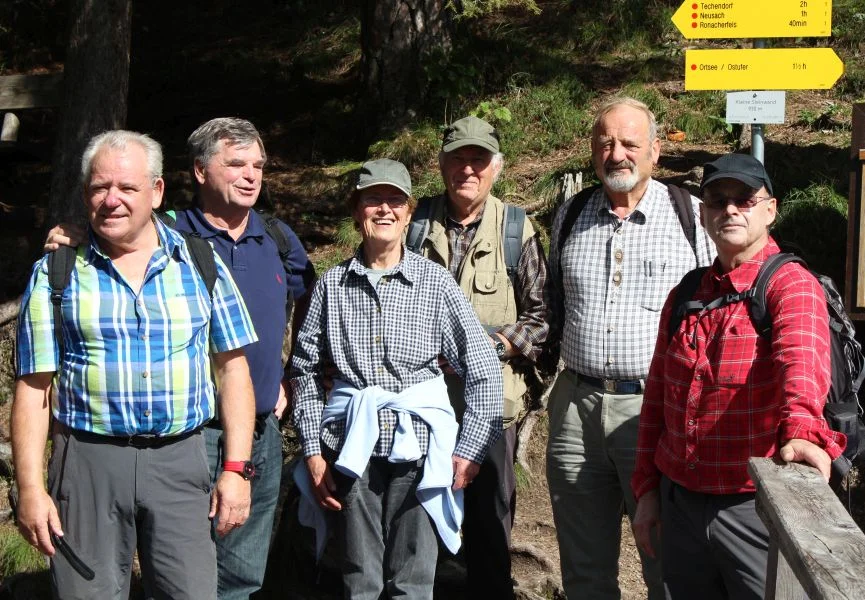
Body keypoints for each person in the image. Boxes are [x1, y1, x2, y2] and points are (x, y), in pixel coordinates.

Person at [43, 117, 316, 598]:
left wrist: (292, 375)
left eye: (258, 166)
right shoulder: (171, 234)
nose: (251, 175)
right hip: (190, 434)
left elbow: (314, 307)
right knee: (182, 570)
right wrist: (74, 233)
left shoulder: (277, 237)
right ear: (200, 171)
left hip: (259, 427)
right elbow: (115, 230)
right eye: (236, 164)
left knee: (243, 572)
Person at [13, 130, 258, 599]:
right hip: (86, 464)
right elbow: (33, 387)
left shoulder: (200, 262)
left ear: (157, 191)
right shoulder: (56, 272)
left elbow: (233, 371)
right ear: (85, 194)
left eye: (127, 187)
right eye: (100, 188)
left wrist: (236, 468)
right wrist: (30, 488)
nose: (112, 200)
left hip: (181, 462)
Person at [630, 153, 846, 599]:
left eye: (744, 199)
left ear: (770, 209)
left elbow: (801, 362)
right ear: (703, 213)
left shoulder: (790, 284)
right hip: (680, 503)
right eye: (717, 199)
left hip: (752, 505)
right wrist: (647, 490)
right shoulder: (686, 292)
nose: (730, 209)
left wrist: (802, 430)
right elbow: (657, 400)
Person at [289, 158, 503, 598]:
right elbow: (304, 371)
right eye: (373, 200)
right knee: (359, 578)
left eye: (395, 201)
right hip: (351, 450)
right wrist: (312, 450)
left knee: (413, 580)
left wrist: (470, 448)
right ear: (356, 211)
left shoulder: (435, 283)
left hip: (421, 451)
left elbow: (483, 367)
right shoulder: (332, 286)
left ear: (409, 215)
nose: (384, 210)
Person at [546, 96, 715, 600]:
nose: (616, 154)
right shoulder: (571, 213)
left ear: (655, 151)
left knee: (665, 562)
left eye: (629, 143)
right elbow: (553, 303)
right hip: (575, 407)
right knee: (583, 566)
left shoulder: (692, 217)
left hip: (656, 410)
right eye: (605, 143)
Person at [409, 115, 553, 598]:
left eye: (478, 159)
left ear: (497, 167)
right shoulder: (413, 223)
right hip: (421, 405)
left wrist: (487, 348)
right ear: (441, 164)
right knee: (418, 526)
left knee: (489, 527)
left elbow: (541, 317)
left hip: (492, 409)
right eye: (458, 159)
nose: (468, 169)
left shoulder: (515, 228)